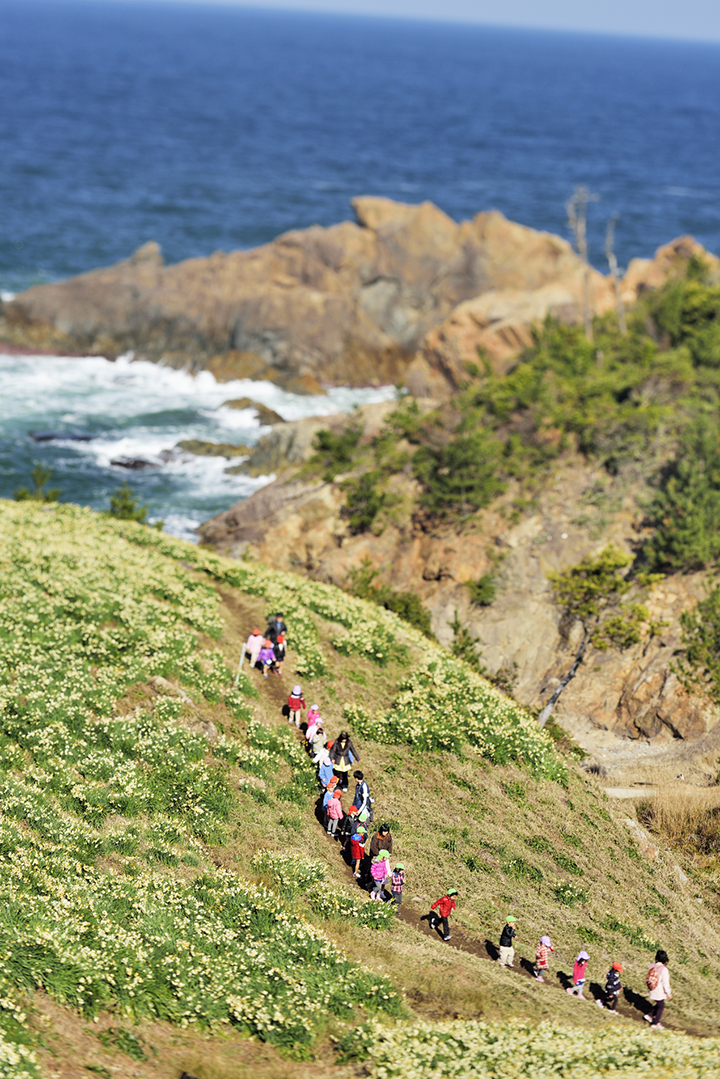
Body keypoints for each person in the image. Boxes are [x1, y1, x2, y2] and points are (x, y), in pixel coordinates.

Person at [644, 950, 672, 1030]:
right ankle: (656, 1023)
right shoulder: (664, 969)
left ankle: (649, 1015)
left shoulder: (652, 965)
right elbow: (665, 983)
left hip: (652, 988)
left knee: (659, 1004)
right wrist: (668, 992)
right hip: (659, 991)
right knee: (661, 1006)